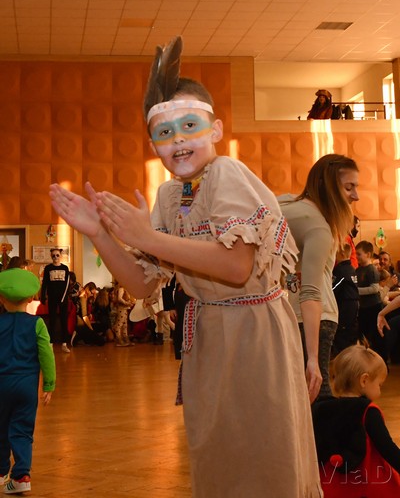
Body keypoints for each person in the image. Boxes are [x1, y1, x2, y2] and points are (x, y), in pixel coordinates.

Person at [49, 35, 322, 497]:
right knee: (216, 453)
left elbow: (237, 266)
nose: (177, 140)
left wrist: (147, 237)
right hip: (208, 337)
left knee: (264, 453)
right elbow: (141, 284)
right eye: (164, 133)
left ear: (215, 130)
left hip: (254, 332)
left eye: (189, 125)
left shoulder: (226, 173)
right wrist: (99, 233)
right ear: (153, 143)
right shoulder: (170, 194)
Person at [279, 153, 359, 398]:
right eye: (349, 187)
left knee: (306, 393)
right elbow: (310, 291)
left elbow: (295, 278)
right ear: (327, 185)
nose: (356, 196)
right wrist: (313, 359)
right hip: (314, 317)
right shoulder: (317, 225)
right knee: (314, 392)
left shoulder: (286, 205)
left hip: (305, 316)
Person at [312, 345, 400, 497]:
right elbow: (387, 448)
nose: (380, 391)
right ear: (364, 380)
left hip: (330, 485)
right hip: (365, 485)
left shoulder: (321, 408)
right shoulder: (368, 411)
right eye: (379, 385)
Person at [0, 268, 56, 494]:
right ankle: (21, 475)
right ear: (32, 298)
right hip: (26, 387)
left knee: (0, 426)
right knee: (22, 429)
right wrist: (49, 384)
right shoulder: (37, 324)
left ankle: (1, 472)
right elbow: (47, 355)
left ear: (1, 299)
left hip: (1, 385)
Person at [355, 240, 387, 361]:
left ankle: (381, 362)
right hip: (363, 308)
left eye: (359, 254)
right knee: (363, 336)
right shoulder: (358, 270)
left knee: (376, 337)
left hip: (373, 307)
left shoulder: (371, 270)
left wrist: (356, 291)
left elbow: (374, 288)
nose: (357, 256)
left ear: (368, 254)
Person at [40, 248, 70, 353]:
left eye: (57, 255)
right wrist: (43, 296)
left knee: (64, 320)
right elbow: (45, 283)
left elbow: (67, 285)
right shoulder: (48, 268)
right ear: (51, 256)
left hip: (63, 299)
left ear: (60, 256)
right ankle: (51, 343)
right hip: (52, 298)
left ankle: (64, 343)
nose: (55, 257)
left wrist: (64, 297)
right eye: (53, 255)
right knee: (52, 320)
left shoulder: (65, 268)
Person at [331, 243, 359, 357]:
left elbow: (334, 287)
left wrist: (327, 292)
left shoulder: (341, 270)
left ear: (341, 254)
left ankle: (343, 357)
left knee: (342, 332)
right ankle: (351, 355)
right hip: (354, 303)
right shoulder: (352, 268)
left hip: (345, 304)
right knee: (350, 331)